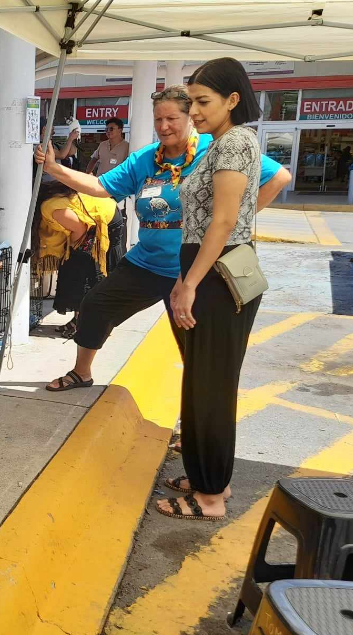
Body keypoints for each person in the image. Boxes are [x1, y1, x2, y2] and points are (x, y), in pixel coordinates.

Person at [33, 84, 291, 394]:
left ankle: (195, 415)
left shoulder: (216, 149)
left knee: (194, 344)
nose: (164, 126)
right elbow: (101, 186)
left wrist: (235, 223)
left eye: (172, 118)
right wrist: (53, 167)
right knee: (96, 305)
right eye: (158, 119)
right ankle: (82, 373)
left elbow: (278, 177)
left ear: (191, 118)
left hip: (195, 269)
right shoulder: (146, 159)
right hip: (147, 262)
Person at [153, 59, 264, 521]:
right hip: (205, 270)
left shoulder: (235, 142)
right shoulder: (223, 144)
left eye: (203, 101)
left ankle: (211, 496)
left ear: (232, 100)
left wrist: (190, 284)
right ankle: (205, 475)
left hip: (217, 277)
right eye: (192, 101)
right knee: (201, 380)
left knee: (212, 386)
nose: (193, 111)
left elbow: (222, 221)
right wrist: (185, 278)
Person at [33, 181, 125, 341]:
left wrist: (74, 252)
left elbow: (80, 229)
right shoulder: (51, 204)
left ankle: (92, 325)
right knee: (79, 273)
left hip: (106, 221)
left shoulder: (49, 208)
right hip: (94, 221)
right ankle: (80, 320)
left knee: (87, 275)